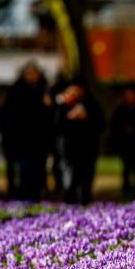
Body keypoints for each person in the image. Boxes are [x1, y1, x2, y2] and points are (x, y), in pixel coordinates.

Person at [0, 61, 52, 202]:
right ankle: (22, 195)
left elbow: (50, 117)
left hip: (39, 139)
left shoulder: (45, 91)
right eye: (28, 73)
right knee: (23, 169)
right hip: (21, 139)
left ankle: (35, 194)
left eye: (34, 73)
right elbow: (9, 114)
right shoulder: (17, 91)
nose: (32, 76)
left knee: (38, 169)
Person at [50, 75, 105, 205]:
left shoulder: (91, 104)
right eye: (72, 92)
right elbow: (54, 126)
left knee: (86, 177)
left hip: (87, 148)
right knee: (68, 176)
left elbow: (101, 125)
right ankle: (69, 199)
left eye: (78, 91)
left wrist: (86, 117)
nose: (75, 95)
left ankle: (85, 199)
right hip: (67, 149)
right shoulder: (61, 106)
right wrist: (68, 117)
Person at [110, 86, 135, 199]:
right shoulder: (120, 109)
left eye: (132, 95)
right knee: (126, 166)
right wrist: (122, 132)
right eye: (128, 95)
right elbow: (114, 125)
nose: (130, 97)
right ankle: (126, 187)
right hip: (124, 143)